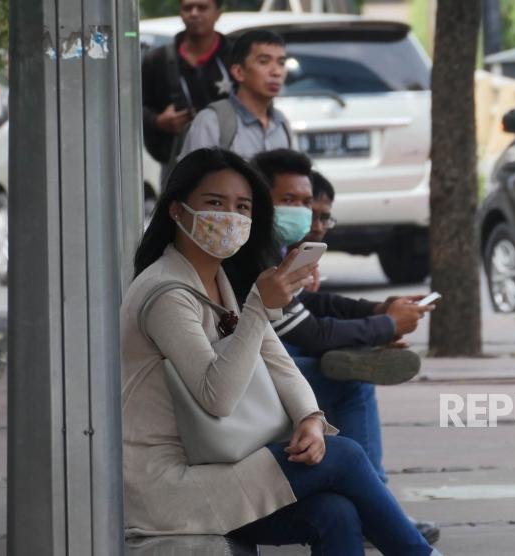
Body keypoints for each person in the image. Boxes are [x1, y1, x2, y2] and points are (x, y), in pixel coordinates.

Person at [121, 148, 439, 555]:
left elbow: (279, 363)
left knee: (336, 511)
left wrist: (309, 418)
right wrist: (258, 307)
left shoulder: (219, 279)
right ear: (177, 212)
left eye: (242, 207)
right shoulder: (164, 292)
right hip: (168, 488)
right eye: (215, 203)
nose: (230, 217)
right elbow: (216, 397)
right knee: (344, 456)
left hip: (216, 467)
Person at [243, 149, 442, 545]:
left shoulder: (271, 250)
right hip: (245, 386)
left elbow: (310, 307)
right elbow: (311, 331)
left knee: (336, 507)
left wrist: (377, 312)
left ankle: (375, 501)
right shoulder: (252, 256)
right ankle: (378, 498)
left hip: (264, 367)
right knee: (350, 383)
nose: (305, 217)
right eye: (290, 202)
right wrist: (384, 324)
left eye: (308, 204)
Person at [142, 0, 233, 177]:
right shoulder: (157, 59)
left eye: (202, 7)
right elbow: (135, 107)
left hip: (230, 160)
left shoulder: (234, 57)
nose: (194, 14)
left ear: (218, 13)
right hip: (176, 164)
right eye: (188, 8)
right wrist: (158, 121)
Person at [179, 29, 291, 160]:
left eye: (281, 63)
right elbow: (194, 177)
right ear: (238, 72)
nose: (276, 72)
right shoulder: (212, 122)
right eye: (264, 61)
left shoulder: (281, 123)